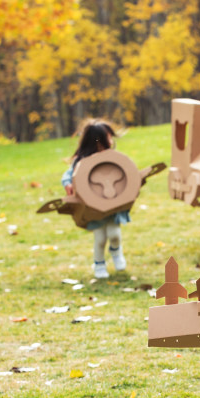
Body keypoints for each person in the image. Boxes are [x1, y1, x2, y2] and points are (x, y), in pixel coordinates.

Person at [62, 119, 128, 279]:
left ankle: (116, 251)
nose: (111, 141)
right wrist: (68, 183)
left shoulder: (112, 158)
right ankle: (99, 264)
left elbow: (126, 172)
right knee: (100, 238)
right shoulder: (82, 161)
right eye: (108, 137)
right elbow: (68, 175)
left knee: (114, 234)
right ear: (97, 140)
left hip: (112, 205)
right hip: (93, 208)